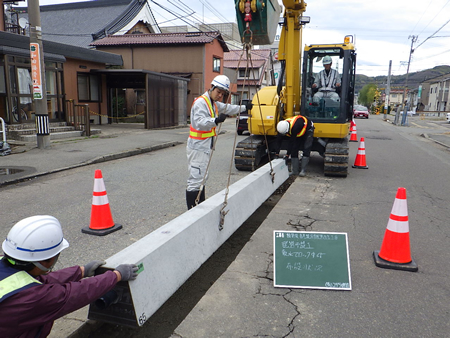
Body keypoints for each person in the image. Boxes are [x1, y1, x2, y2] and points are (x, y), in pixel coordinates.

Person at [0, 215, 139, 338]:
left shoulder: (6, 265)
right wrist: (116, 276)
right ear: (45, 260)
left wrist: (81, 271)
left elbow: (33, 282)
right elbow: (73, 295)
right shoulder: (33, 298)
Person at [186, 75, 252, 209]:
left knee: (202, 177)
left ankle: (200, 206)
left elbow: (228, 108)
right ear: (212, 87)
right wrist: (215, 121)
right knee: (196, 179)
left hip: (204, 146)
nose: (220, 95)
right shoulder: (201, 102)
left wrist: (245, 108)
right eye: (218, 92)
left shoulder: (212, 102)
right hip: (198, 146)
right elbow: (200, 122)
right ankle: (192, 212)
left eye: (223, 93)